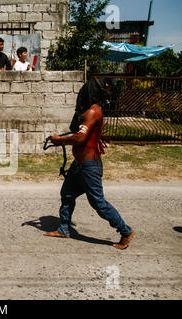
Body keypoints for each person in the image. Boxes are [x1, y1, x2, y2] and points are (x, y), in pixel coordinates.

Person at [44, 77, 135, 250]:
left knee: (98, 203)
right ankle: (64, 229)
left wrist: (59, 140)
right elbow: (77, 130)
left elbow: (80, 137)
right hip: (80, 164)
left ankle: (125, 230)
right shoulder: (86, 111)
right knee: (67, 194)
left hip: (89, 166)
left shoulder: (94, 111)